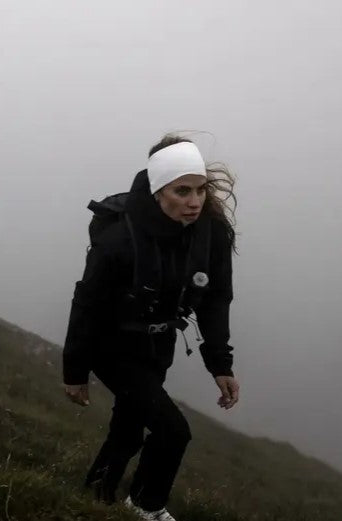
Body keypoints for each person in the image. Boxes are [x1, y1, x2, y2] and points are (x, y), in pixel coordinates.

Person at [62, 135, 240, 521]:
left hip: (158, 345)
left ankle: (94, 498)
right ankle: (145, 507)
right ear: (159, 190)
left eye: (200, 189)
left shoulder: (210, 233)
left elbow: (215, 298)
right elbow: (87, 304)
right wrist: (75, 372)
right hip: (112, 346)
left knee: (128, 430)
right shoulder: (118, 239)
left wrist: (220, 365)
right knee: (173, 432)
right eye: (182, 191)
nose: (195, 201)